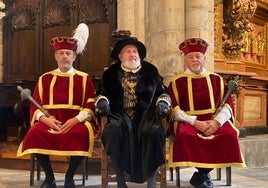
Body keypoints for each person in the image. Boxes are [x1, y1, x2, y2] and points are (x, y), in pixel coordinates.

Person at [16, 23, 97, 188]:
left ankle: (69, 176)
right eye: (61, 53)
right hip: (50, 122)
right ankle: (50, 177)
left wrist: (76, 120)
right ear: (56, 56)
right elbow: (35, 105)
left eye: (68, 53)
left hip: (74, 122)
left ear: (74, 56)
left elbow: (90, 102)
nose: (64, 56)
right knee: (34, 133)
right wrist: (45, 120)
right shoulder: (45, 78)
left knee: (82, 133)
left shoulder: (84, 78)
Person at [167, 38, 245, 188]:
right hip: (189, 121)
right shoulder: (176, 82)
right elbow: (174, 109)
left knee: (229, 135)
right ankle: (203, 175)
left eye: (198, 56)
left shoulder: (217, 79)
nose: (194, 60)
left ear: (204, 58)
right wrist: (195, 122)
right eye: (190, 57)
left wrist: (217, 122)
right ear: (185, 60)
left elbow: (227, 105)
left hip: (214, 119)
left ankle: (201, 175)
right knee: (186, 136)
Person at [95, 37, 171, 188]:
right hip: (119, 115)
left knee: (154, 132)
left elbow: (163, 92)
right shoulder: (110, 73)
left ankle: (151, 182)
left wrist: (162, 103)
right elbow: (100, 93)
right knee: (112, 132)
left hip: (146, 115)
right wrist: (102, 101)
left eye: (135, 51)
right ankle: (121, 182)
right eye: (128, 51)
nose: (132, 54)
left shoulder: (151, 71)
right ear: (120, 56)